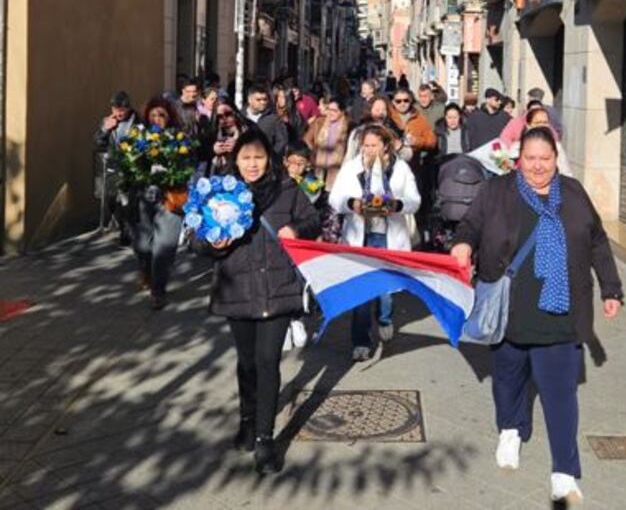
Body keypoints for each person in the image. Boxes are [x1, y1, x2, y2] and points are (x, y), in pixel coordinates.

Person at [450, 127, 623, 505]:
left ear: (555, 160)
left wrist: (611, 288)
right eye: (531, 159)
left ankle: (564, 471)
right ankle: (511, 429)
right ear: (518, 159)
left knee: (561, 397)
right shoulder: (497, 191)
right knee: (507, 382)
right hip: (509, 312)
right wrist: (462, 243)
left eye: (545, 159)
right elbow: (470, 225)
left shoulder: (573, 194)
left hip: (562, 315)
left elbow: (597, 241)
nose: (538, 166)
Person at [196, 127, 321, 474]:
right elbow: (196, 240)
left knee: (268, 361)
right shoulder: (222, 192)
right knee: (247, 362)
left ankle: (265, 439)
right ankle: (247, 420)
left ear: (270, 159)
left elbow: (313, 219)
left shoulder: (286, 190)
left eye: (259, 157)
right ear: (236, 159)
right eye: (246, 158)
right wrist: (212, 244)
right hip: (237, 288)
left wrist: (296, 231)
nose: (253, 165)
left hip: (278, 287)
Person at [329, 124, 421, 360]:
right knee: (361, 292)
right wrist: (352, 204)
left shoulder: (400, 168)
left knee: (385, 290)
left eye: (373, 145)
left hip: (388, 237)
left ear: (385, 145)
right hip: (360, 236)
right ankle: (360, 341)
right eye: (366, 145)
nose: (369, 150)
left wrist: (397, 205)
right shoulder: (352, 168)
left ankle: (384, 317)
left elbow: (414, 200)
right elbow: (335, 198)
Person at [129, 96, 189, 310]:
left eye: (161, 115)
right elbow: (128, 165)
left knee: (164, 247)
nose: (157, 119)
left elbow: (189, 164)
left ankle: (158, 290)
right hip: (145, 197)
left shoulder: (179, 138)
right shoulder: (138, 138)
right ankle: (146, 270)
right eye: (153, 115)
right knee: (143, 246)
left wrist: (174, 169)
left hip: (170, 198)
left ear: (169, 117)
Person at [94, 90, 137, 239]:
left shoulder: (137, 121)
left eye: (121, 110)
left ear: (128, 108)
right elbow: (98, 142)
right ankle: (118, 222)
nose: (118, 113)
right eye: (115, 110)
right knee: (112, 199)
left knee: (128, 200)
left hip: (132, 166)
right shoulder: (108, 121)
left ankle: (127, 231)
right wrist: (105, 129)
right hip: (113, 165)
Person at [505, 107, 573, 177]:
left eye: (545, 122)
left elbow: (566, 173)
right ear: (528, 125)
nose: (542, 126)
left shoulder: (556, 147)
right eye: (537, 123)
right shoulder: (516, 147)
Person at [303, 95, 349, 188]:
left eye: (334, 110)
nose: (330, 113)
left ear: (342, 111)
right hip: (318, 168)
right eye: (329, 109)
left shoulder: (348, 127)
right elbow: (306, 139)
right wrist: (314, 152)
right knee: (313, 194)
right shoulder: (319, 122)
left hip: (338, 171)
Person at [345, 95, 404, 162]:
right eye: (377, 109)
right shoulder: (358, 132)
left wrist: (400, 148)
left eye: (383, 109)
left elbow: (405, 156)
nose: (381, 112)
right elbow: (349, 157)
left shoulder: (390, 132)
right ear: (369, 111)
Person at [389, 88, 437, 164]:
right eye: (398, 101)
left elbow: (432, 141)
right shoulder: (388, 116)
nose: (402, 103)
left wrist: (417, 141)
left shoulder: (418, 117)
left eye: (406, 100)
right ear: (393, 102)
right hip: (392, 162)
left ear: (410, 101)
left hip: (413, 164)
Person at [242, 84, 288, 158]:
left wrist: (271, 156)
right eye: (258, 100)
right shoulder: (241, 117)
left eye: (265, 99)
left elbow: (282, 141)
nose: (263, 102)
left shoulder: (274, 119)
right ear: (249, 100)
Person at [207, 98, 247, 175]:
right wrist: (214, 149)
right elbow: (202, 153)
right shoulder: (213, 131)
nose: (225, 119)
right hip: (218, 174)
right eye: (220, 116)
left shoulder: (247, 128)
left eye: (228, 114)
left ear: (235, 113)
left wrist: (238, 146)